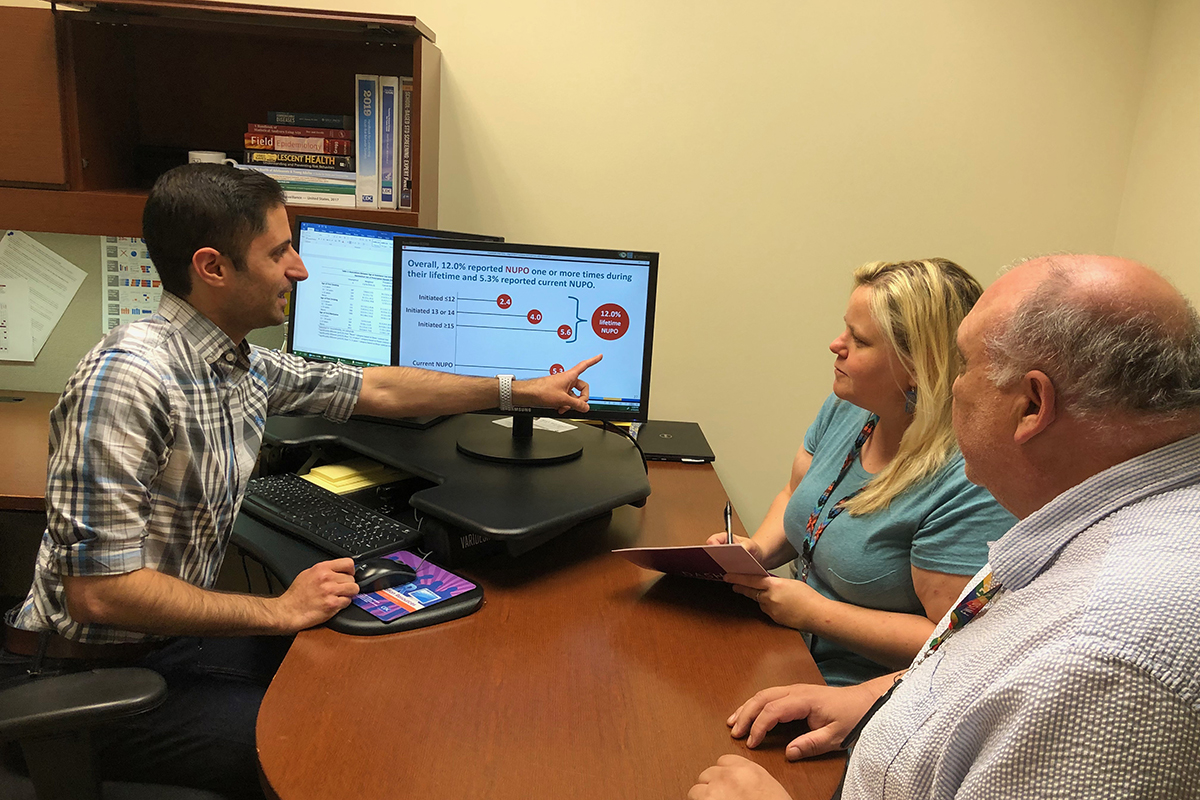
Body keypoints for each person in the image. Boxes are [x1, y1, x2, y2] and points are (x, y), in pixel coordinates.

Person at [0, 163, 601, 798]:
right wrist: (279, 609)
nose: (300, 269)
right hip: (76, 681)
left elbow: (377, 388)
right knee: (327, 746)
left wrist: (517, 390)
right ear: (213, 267)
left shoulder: (238, 365)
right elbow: (102, 593)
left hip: (162, 648)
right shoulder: (129, 380)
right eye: (279, 251)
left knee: (353, 673)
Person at [691, 254, 1200, 799]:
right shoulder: (1091, 528)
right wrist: (875, 698)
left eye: (961, 365)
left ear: (1032, 405)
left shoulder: (1102, 655)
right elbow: (967, 654)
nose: (947, 388)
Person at [708, 259, 1014, 686]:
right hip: (787, 649)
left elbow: (954, 641)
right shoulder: (849, 406)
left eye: (861, 340)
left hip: (865, 696)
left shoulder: (968, 479)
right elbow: (796, 495)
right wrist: (757, 553)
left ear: (917, 366)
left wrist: (817, 613)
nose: (837, 345)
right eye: (844, 329)